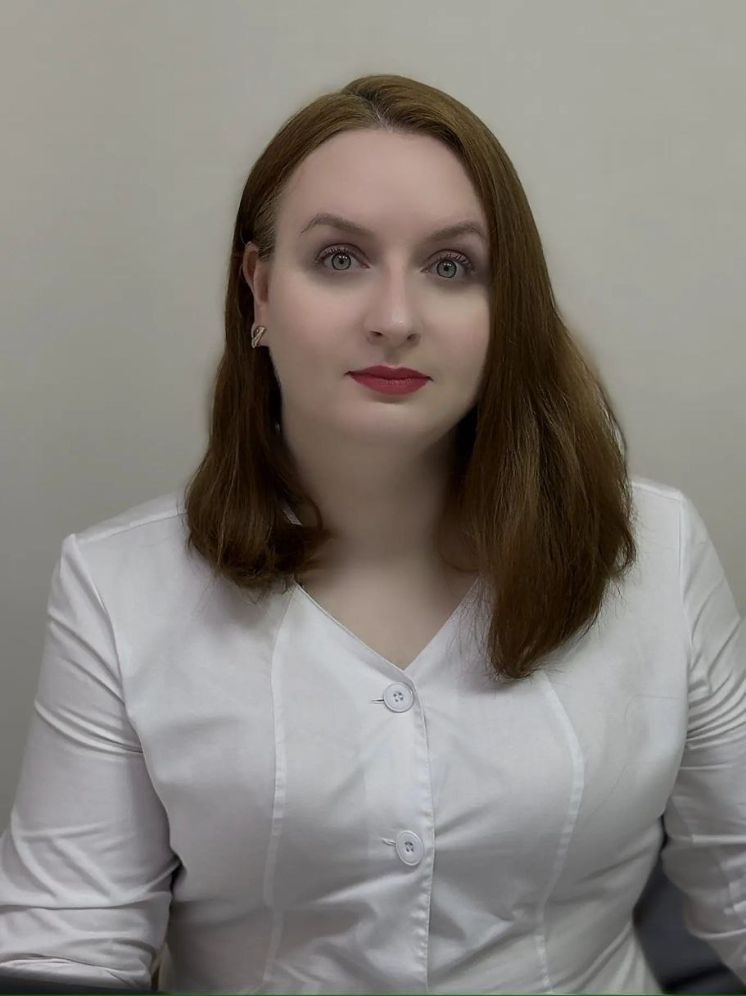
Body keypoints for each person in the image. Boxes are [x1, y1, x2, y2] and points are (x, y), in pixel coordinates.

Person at [0, 73, 744, 995]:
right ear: (258, 289)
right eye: (341, 258)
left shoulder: (658, 551)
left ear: (505, 307)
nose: (395, 318)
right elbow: (66, 945)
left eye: (451, 267)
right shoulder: (118, 586)